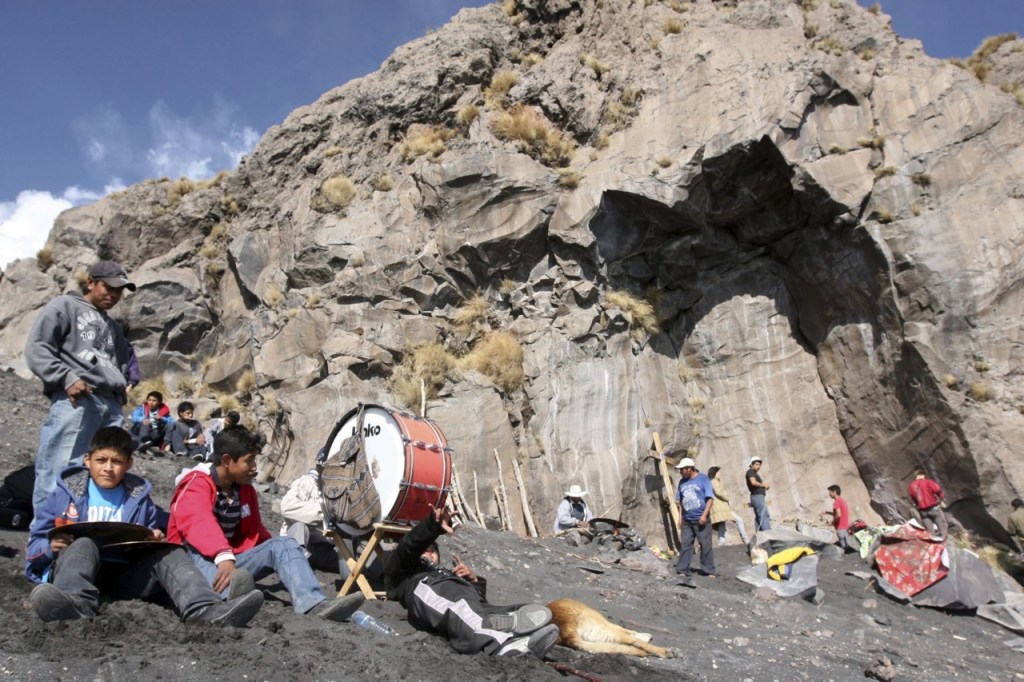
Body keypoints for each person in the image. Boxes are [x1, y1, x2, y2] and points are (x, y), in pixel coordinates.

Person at [24, 426, 263, 626]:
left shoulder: (138, 497)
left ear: (129, 464)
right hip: (74, 576)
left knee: (169, 550)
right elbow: (34, 545)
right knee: (84, 543)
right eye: (101, 460)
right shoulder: (65, 494)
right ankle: (73, 605)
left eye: (116, 461)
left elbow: (158, 532)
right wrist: (50, 547)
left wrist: (153, 540)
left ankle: (206, 610)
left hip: (123, 579)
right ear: (88, 460)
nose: (108, 467)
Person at [166, 426, 364, 622]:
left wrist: (290, 560)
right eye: (249, 460)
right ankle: (225, 599)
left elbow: (256, 535)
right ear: (227, 460)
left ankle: (313, 602)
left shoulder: (244, 490)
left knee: (284, 545)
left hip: (229, 562)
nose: (254, 467)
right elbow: (198, 522)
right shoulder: (196, 483)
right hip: (191, 566)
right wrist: (222, 555)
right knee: (194, 548)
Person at [25, 260, 136, 511]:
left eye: (119, 290)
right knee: (61, 469)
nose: (114, 294)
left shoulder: (114, 328)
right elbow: (37, 348)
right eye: (108, 287)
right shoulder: (65, 306)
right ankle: (44, 540)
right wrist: (66, 377)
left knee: (104, 475)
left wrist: (119, 397)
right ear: (90, 283)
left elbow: (119, 365)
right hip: (79, 400)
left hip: (111, 407)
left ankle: (81, 538)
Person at [385, 503, 559, 657]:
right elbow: (408, 547)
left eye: (433, 550)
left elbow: (478, 603)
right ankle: (501, 646)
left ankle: (520, 637)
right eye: (425, 550)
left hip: (457, 596)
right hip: (427, 592)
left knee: (499, 610)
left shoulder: (447, 573)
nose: (429, 553)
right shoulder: (405, 573)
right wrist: (432, 526)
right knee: (460, 610)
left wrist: (474, 581)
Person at [674, 458, 715, 587]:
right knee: (686, 544)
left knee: (705, 544)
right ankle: (682, 569)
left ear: (689, 468)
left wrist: (704, 515)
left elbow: (709, 499)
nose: (681, 472)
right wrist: (680, 518)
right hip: (687, 519)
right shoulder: (682, 482)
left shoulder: (703, 479)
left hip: (701, 519)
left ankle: (709, 570)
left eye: (682, 470)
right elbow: (680, 501)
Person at [707, 466, 749, 549]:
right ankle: (746, 541)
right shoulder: (714, 481)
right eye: (718, 472)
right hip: (721, 507)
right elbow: (718, 492)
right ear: (715, 473)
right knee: (739, 520)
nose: (720, 474)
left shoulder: (712, 481)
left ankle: (721, 544)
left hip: (719, 508)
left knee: (721, 525)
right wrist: (727, 499)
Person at [908, 470, 947, 540]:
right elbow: (938, 490)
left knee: (930, 534)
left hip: (923, 512)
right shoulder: (928, 482)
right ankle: (944, 544)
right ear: (923, 475)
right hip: (934, 509)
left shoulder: (911, 486)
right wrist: (942, 499)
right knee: (943, 529)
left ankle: (934, 546)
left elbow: (913, 498)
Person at [746, 456, 772, 531]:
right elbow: (753, 482)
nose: (759, 466)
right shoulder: (750, 472)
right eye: (757, 464)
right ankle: (769, 537)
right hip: (757, 497)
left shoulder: (753, 473)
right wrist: (764, 485)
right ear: (751, 465)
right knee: (764, 515)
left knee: (759, 517)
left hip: (757, 497)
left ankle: (760, 537)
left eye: (759, 465)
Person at [821, 484, 850, 551]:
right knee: (848, 547)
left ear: (834, 492)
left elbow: (838, 515)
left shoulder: (836, 502)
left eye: (830, 492)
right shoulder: (842, 500)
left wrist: (832, 522)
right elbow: (838, 513)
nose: (829, 494)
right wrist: (827, 512)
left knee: (845, 549)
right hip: (846, 527)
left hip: (841, 528)